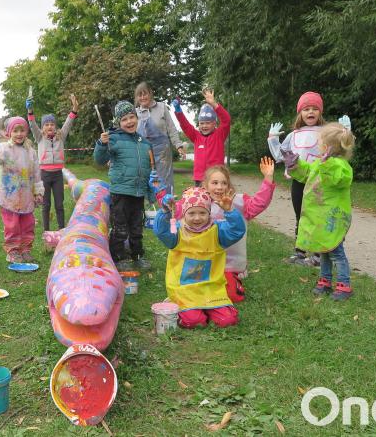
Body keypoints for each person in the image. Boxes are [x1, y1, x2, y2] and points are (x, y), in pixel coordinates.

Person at [268, 91, 351, 266]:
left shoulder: (327, 132)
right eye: (306, 109)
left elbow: (342, 148)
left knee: (320, 216)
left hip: (321, 182)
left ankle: (320, 254)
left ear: (320, 112)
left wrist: (346, 131)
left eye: (314, 108)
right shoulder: (293, 135)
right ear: (300, 113)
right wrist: (273, 139)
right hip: (299, 181)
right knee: (301, 215)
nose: (310, 112)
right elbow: (280, 155)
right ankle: (300, 252)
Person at [152, 187, 246, 328]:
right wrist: (165, 212)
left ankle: (208, 309)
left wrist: (230, 211)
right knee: (194, 322)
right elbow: (161, 231)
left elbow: (237, 231)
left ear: (209, 213)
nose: (197, 218)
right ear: (184, 214)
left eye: (202, 213)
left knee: (228, 321)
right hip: (185, 290)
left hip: (211, 288)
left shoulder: (218, 231)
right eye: (192, 213)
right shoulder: (177, 232)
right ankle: (189, 310)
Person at [282, 122, 356, 300]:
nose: (318, 145)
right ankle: (325, 280)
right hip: (320, 217)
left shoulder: (341, 165)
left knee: (336, 252)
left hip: (332, 218)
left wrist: (327, 165)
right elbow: (308, 173)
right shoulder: (319, 162)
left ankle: (344, 284)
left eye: (320, 142)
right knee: (324, 250)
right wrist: (295, 164)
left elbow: (340, 180)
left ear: (327, 146)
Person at [93, 101, 154, 271]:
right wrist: (101, 144)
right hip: (120, 193)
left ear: (137, 117)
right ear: (118, 122)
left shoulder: (143, 142)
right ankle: (118, 257)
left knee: (136, 228)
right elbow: (99, 160)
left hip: (138, 193)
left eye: (131, 117)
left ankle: (138, 255)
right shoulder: (113, 139)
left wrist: (150, 192)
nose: (129, 121)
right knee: (120, 228)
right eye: (125, 119)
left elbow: (148, 169)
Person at [202, 161, 275, 302]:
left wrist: (268, 178)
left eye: (224, 183)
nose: (219, 187)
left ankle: (234, 279)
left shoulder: (239, 202)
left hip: (230, 265)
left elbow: (259, 203)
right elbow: (179, 209)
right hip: (204, 263)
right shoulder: (199, 203)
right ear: (205, 185)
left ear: (229, 186)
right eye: (215, 183)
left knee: (232, 296)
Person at [0, 116, 43, 263]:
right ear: (9, 133)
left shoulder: (31, 152)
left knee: (28, 225)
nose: (19, 133)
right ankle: (13, 251)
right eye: (15, 130)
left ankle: (26, 250)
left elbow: (36, 174)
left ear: (26, 132)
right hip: (8, 197)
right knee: (12, 226)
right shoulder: (4, 148)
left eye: (22, 130)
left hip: (27, 197)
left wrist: (38, 192)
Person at [26, 93, 78, 231]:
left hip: (57, 176)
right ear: (43, 128)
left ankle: (62, 229)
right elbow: (32, 124)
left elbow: (68, 122)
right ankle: (46, 231)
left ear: (55, 126)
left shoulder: (61, 136)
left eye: (52, 124)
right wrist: (30, 111)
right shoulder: (39, 137)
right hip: (44, 175)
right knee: (46, 204)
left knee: (59, 204)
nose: (49, 126)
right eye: (46, 124)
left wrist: (74, 109)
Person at [171, 89, 231, 186]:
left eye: (208, 123)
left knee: (216, 201)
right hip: (199, 179)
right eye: (201, 123)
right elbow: (185, 125)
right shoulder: (196, 136)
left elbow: (226, 120)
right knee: (200, 201)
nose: (204, 126)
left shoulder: (219, 135)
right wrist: (178, 111)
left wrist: (214, 104)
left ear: (214, 123)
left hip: (217, 178)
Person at [134, 82, 186, 194]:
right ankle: (143, 209)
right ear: (137, 97)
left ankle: (167, 208)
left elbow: (171, 128)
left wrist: (178, 145)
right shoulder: (135, 113)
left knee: (165, 182)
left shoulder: (162, 107)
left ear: (150, 93)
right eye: (140, 95)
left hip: (163, 152)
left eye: (145, 94)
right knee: (143, 181)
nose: (143, 97)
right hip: (143, 152)